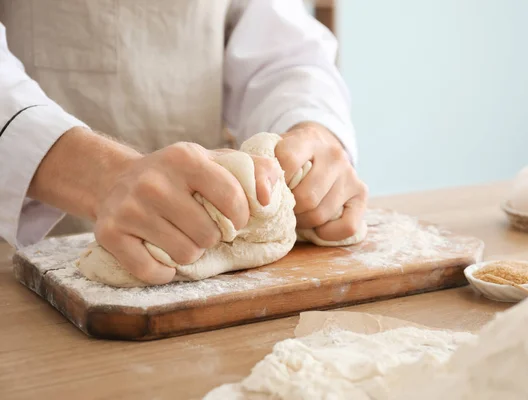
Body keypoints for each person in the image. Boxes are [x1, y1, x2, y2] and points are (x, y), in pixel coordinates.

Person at [0, 0, 367, 285]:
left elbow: (279, 44)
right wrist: (98, 173)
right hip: (14, 256)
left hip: (213, 249)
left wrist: (309, 127)